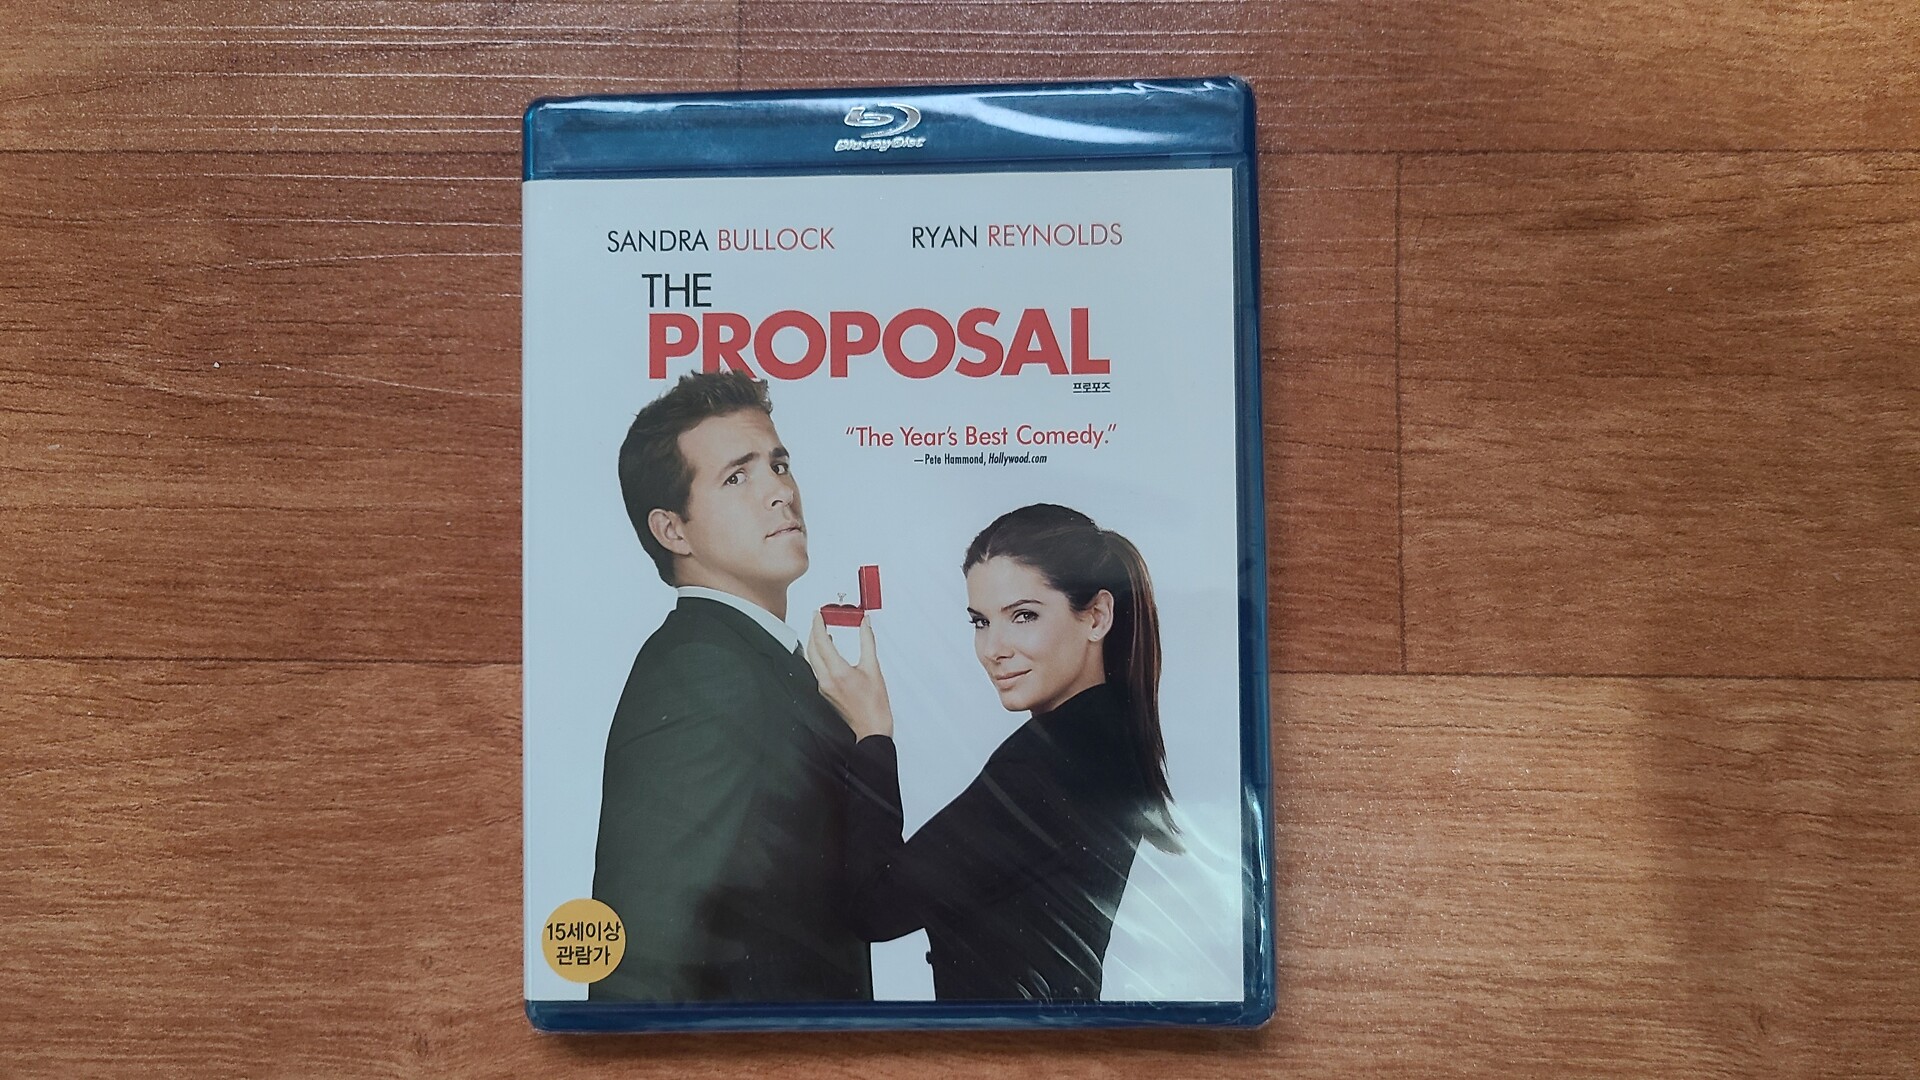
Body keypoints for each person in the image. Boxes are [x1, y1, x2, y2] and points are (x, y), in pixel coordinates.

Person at [806, 503, 1178, 1002]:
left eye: (1023, 616)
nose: (993, 649)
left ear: (1096, 616)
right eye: (980, 622)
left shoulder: (1046, 766)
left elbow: (874, 908)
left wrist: (872, 732)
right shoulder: (1109, 738)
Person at [592, 370, 871, 1003]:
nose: (781, 492)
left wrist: (870, 732)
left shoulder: (759, 661)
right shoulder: (703, 670)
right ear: (673, 531)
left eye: (779, 464)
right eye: (737, 477)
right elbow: (640, 952)